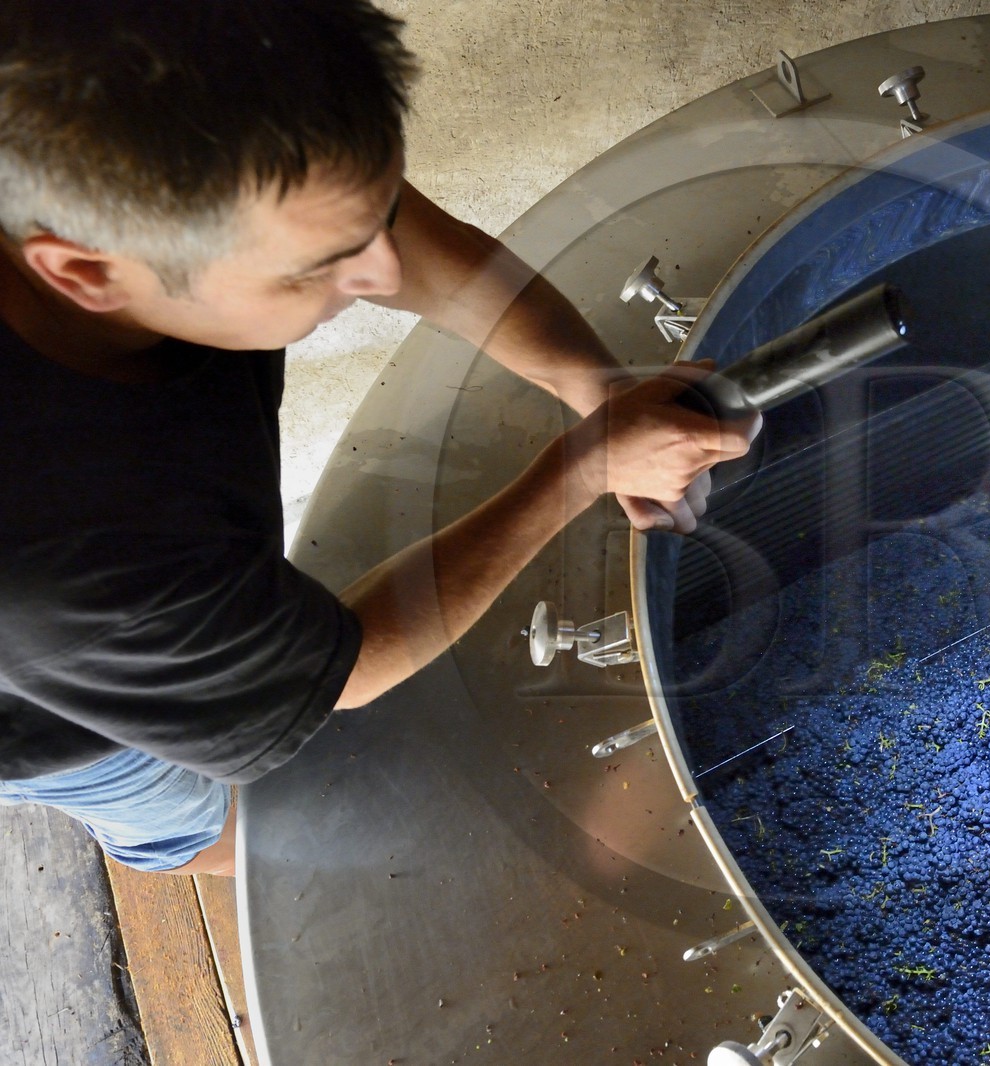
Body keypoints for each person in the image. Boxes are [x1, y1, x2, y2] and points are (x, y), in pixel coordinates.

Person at [0, 1, 755, 877]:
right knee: (176, 808)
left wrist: (595, 387)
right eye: (322, 267)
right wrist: (580, 468)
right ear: (85, 271)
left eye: (378, 212)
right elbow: (350, 667)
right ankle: (194, 854)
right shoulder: (70, 570)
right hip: (45, 708)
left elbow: (412, 252)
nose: (387, 276)